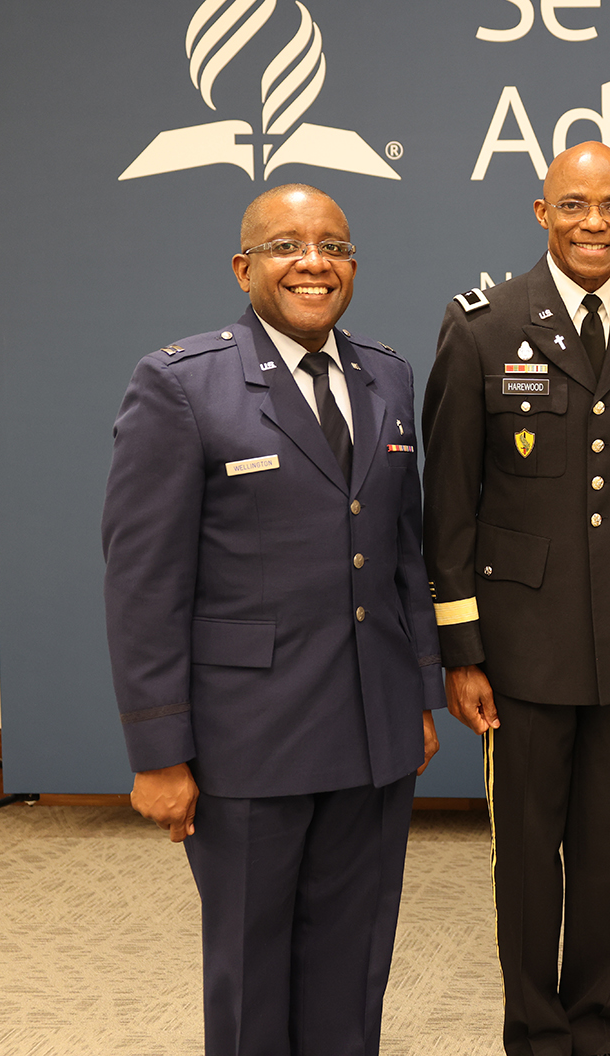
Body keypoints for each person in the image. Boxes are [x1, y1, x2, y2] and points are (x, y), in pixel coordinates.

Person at [102, 183, 445, 1056]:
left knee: (353, 961)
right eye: (287, 245)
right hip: (246, 742)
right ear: (243, 266)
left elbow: (404, 549)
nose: (313, 262)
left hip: (371, 732)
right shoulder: (181, 385)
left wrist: (418, 695)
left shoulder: (389, 375)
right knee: (253, 972)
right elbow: (144, 584)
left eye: (332, 245)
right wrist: (158, 753)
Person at [421, 141, 610, 1056]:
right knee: (528, 858)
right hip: (518, 645)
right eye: (574, 205)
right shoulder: (482, 326)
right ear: (540, 214)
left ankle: (595, 1027)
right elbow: (449, 507)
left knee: (608, 850)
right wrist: (461, 651)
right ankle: (537, 1035)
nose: (594, 223)